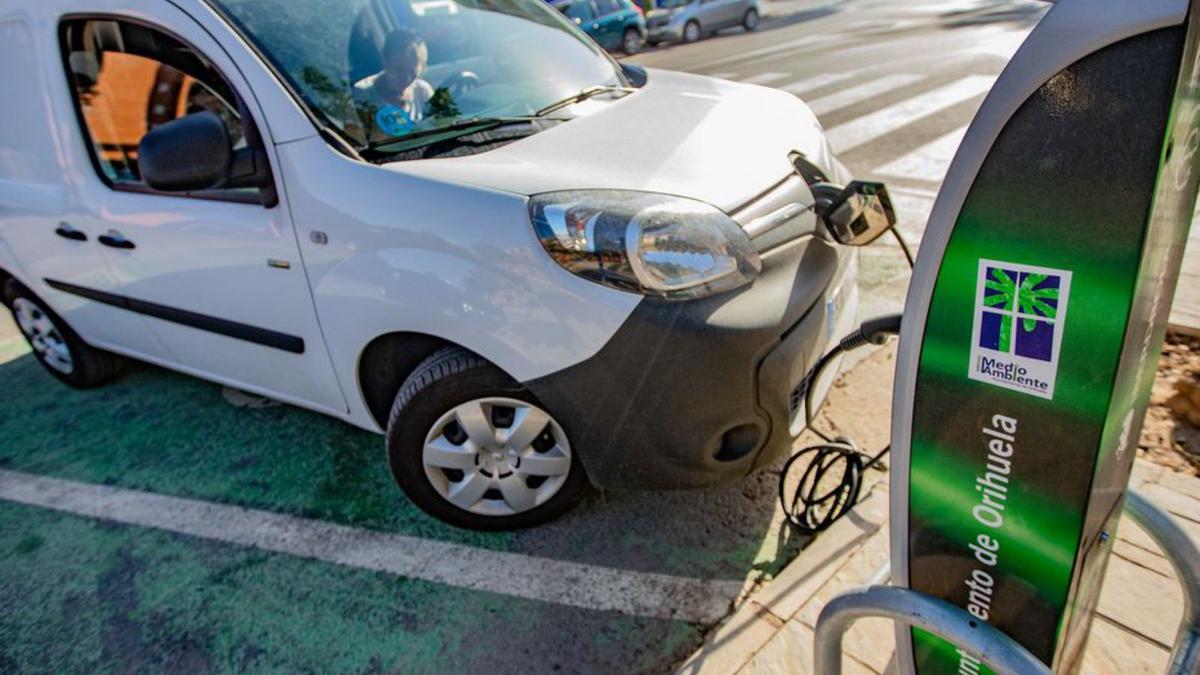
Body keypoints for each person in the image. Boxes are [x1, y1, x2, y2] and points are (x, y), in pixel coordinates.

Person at [354, 28, 435, 138]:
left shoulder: (422, 91)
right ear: (385, 60)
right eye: (399, 70)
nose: (406, 78)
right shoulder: (362, 96)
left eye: (412, 72)